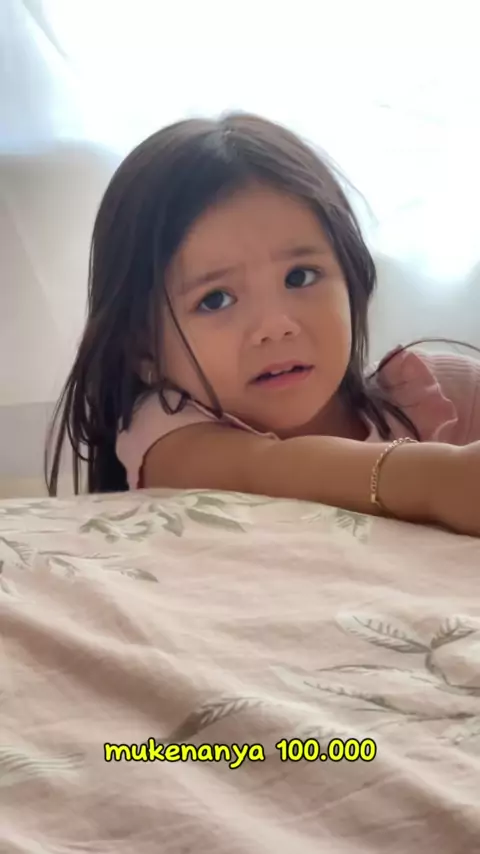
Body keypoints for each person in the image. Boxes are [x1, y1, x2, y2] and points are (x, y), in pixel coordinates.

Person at [46, 113, 480, 537]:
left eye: (300, 277)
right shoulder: (165, 435)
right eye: (215, 299)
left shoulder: (446, 396)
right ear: (145, 350)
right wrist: (441, 481)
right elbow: (263, 469)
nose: (275, 326)